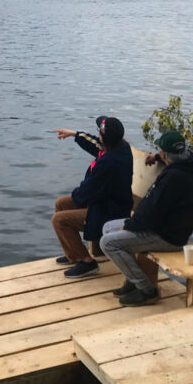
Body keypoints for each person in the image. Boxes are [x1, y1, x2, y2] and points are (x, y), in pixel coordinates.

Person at [99, 129, 193, 306]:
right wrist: (156, 158)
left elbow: (152, 211)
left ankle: (147, 290)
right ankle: (132, 280)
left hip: (168, 236)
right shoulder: (189, 164)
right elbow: (152, 210)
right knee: (108, 227)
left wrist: (130, 226)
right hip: (166, 227)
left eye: (160, 152)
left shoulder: (174, 178)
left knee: (108, 242)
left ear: (165, 154)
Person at [51, 116, 133, 278]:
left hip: (109, 212)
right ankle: (73, 255)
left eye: (100, 133)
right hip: (106, 202)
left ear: (105, 138)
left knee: (59, 220)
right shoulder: (119, 148)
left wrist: (77, 196)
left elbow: (84, 195)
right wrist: (74, 134)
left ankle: (87, 262)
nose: (98, 136)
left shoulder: (109, 162)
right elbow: (94, 143)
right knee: (61, 204)